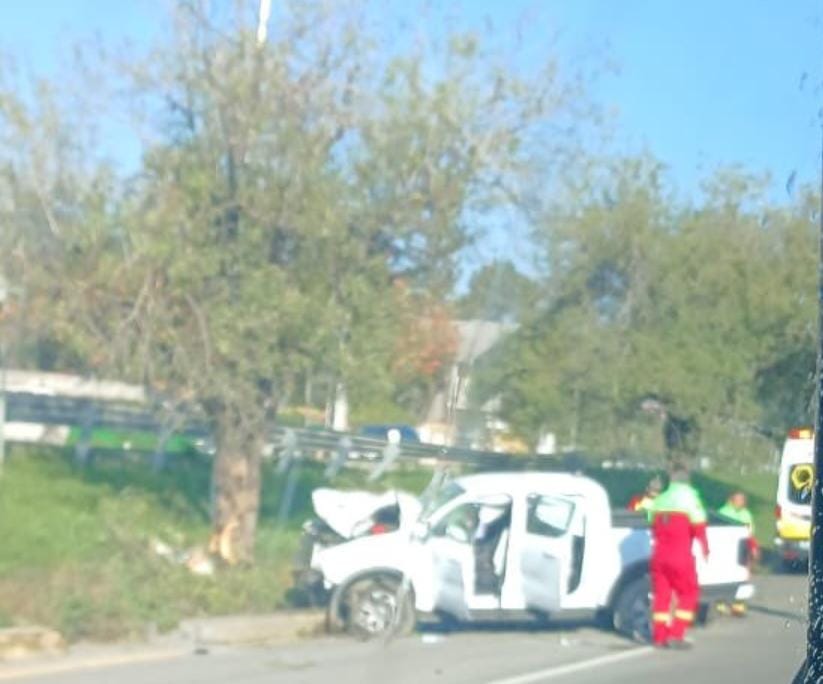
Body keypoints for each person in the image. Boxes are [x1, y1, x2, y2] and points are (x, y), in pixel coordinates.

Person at [648, 464, 710, 649]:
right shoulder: (690, 497)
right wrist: (705, 549)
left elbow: (652, 525)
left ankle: (659, 637)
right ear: (687, 480)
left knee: (662, 595)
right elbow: (699, 526)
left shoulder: (660, 499)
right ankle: (676, 634)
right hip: (680, 555)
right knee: (689, 593)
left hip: (658, 556)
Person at [717, 491, 759, 616]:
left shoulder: (746, 513)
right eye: (739, 500)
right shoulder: (723, 512)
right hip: (726, 550)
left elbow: (750, 533)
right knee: (724, 576)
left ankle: (738, 604)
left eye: (743, 500)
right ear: (731, 500)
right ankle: (721, 602)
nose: (742, 502)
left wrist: (753, 548)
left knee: (743, 577)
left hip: (742, 550)